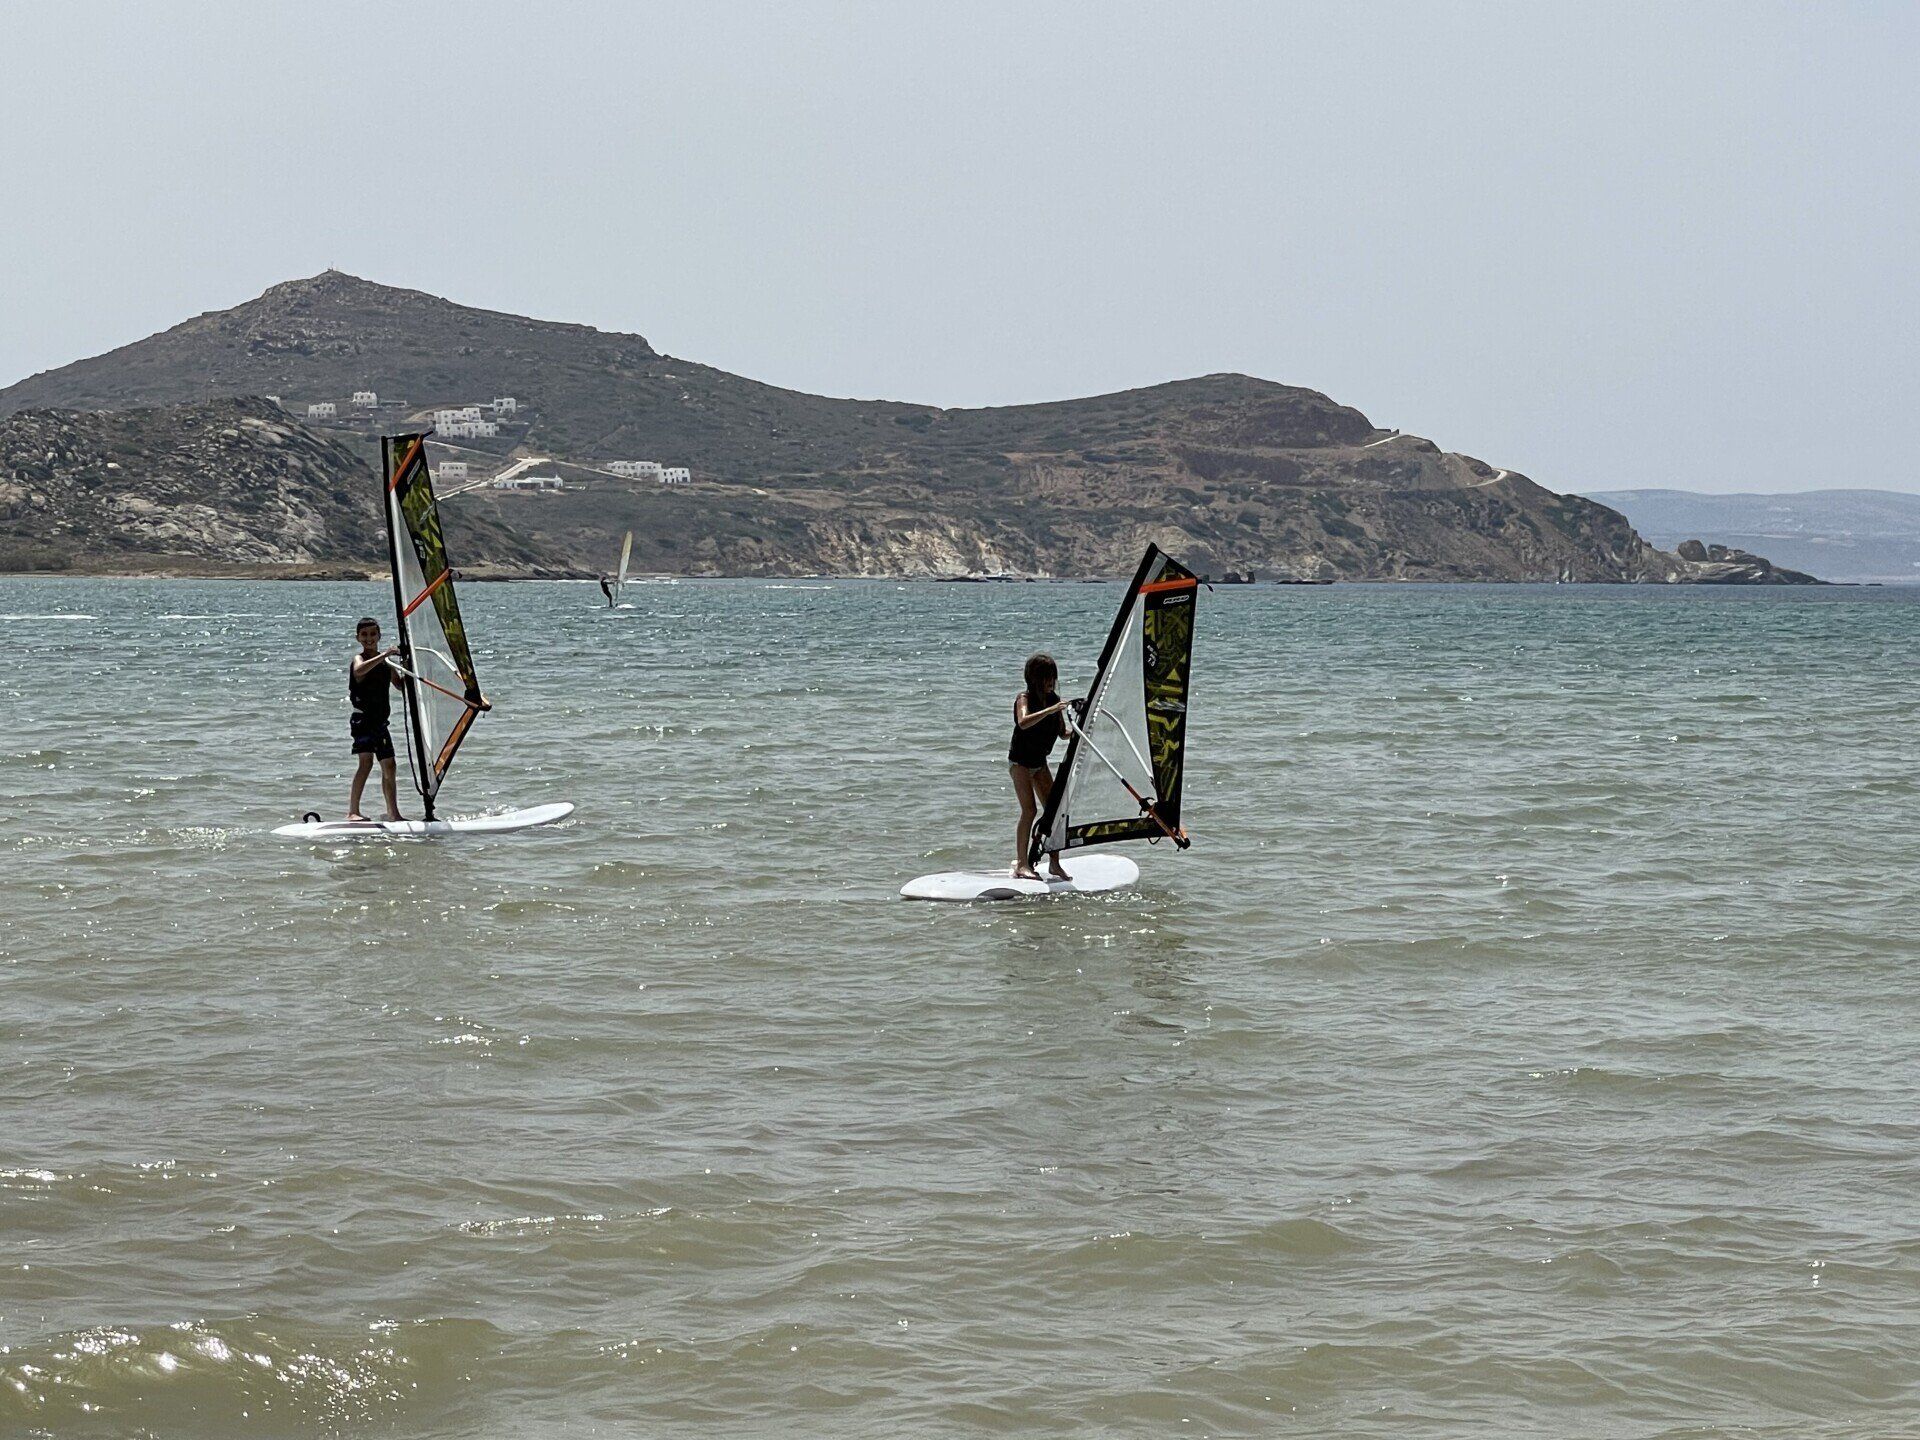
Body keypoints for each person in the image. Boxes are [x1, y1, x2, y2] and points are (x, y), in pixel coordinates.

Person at [1009, 651, 1073, 881]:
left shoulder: (1054, 700)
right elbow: (1024, 723)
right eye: (1046, 678)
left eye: (1052, 677)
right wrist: (1050, 711)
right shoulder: (1024, 699)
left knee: (1054, 813)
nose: (1050, 682)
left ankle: (1055, 864)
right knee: (1030, 810)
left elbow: (1063, 733)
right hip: (1020, 764)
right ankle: (1022, 864)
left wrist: (1082, 726)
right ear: (1034, 678)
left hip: (1040, 763)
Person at [347, 616, 407, 822]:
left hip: (380, 723)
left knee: (389, 765)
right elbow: (359, 671)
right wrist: (385, 655)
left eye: (373, 634)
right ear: (358, 638)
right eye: (364, 635)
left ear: (379, 636)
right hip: (362, 721)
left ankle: (393, 813)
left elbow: (400, 685)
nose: (369, 638)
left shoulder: (386, 664)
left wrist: (409, 666)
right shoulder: (360, 659)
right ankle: (353, 811)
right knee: (366, 762)